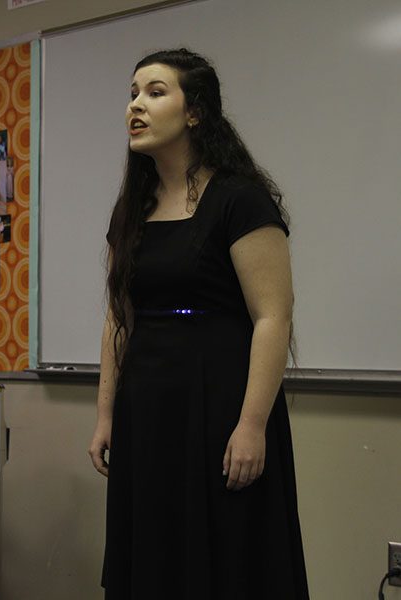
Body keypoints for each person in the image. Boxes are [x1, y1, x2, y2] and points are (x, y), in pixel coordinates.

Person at [87, 49, 308, 599]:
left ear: (195, 113)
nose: (136, 105)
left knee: (228, 561)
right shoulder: (132, 209)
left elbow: (272, 316)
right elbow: (119, 316)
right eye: (133, 93)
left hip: (220, 413)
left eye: (155, 92)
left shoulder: (239, 199)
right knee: (154, 560)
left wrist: (252, 424)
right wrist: (105, 414)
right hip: (148, 415)